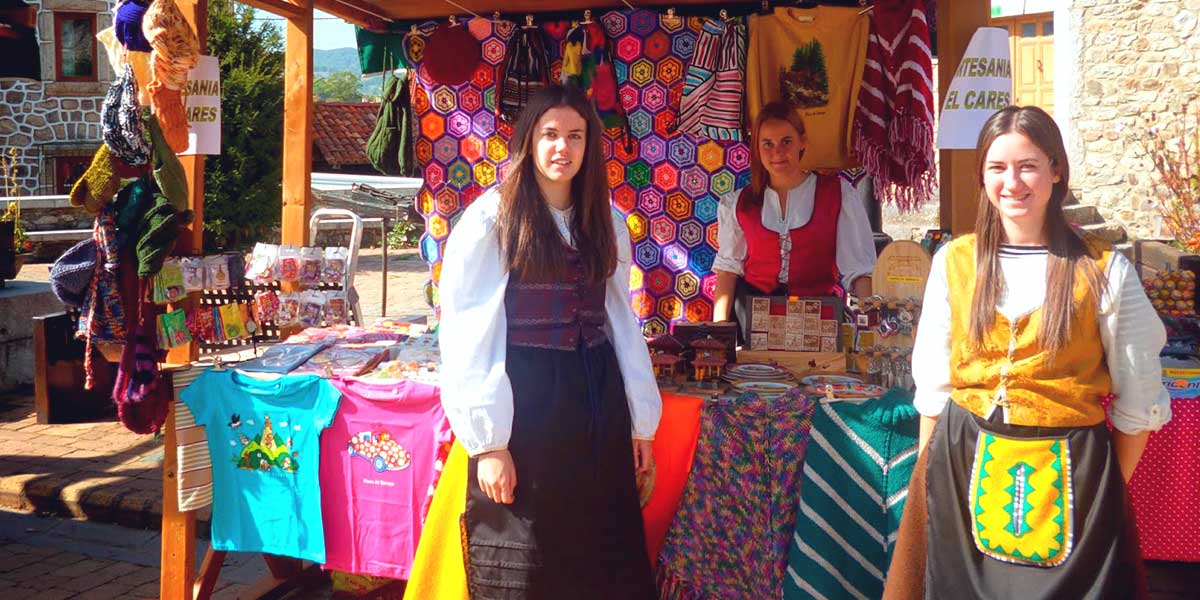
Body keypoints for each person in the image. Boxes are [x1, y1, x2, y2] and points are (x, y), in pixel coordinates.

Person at [884, 105, 1169, 599]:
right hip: (961, 465)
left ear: (1056, 171)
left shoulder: (1104, 271)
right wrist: (925, 489)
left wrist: (1100, 489)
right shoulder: (955, 261)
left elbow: (1138, 401)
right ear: (982, 176)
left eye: (1028, 165)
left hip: (1074, 474)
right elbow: (933, 388)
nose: (1012, 182)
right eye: (997, 168)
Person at [437, 85, 661, 599]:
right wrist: (490, 443)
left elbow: (620, 321)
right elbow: (470, 331)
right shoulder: (493, 218)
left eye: (576, 136)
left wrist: (640, 423)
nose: (563, 148)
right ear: (529, 141)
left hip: (596, 397)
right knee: (535, 547)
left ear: (589, 146)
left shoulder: (603, 218)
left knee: (599, 544)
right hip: (530, 401)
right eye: (551, 134)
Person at [711, 101, 877, 341]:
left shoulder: (837, 195)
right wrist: (720, 333)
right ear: (756, 149)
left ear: (802, 142)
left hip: (818, 319)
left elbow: (860, 271)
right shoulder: (739, 204)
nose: (777, 152)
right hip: (753, 320)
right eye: (767, 144)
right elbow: (727, 272)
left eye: (786, 141)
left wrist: (871, 329)